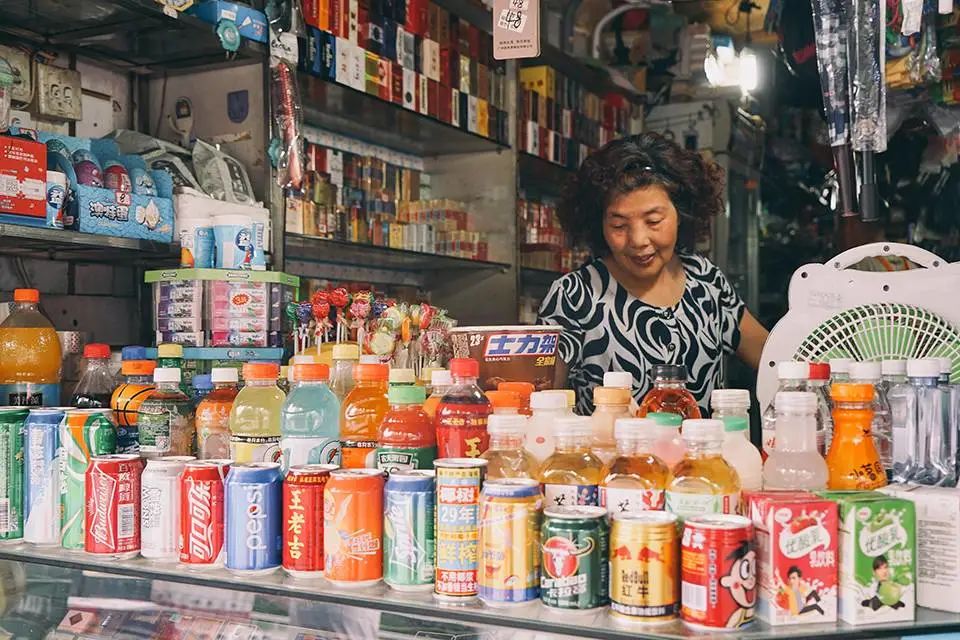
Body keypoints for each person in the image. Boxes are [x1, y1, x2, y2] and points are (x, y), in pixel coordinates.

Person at [538, 133, 769, 414]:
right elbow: (542, 402)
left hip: (705, 457)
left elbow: (772, 357)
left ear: (681, 213)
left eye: (654, 221)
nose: (638, 240)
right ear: (598, 223)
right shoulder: (574, 295)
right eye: (619, 225)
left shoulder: (705, 279)